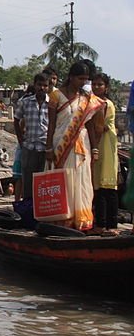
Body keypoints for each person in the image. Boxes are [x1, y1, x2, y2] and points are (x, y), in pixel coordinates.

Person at [44, 61, 105, 231]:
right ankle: (62, 219)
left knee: (82, 180)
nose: (83, 82)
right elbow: (51, 125)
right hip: (60, 143)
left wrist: (94, 148)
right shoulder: (56, 96)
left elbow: (92, 125)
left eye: (86, 79)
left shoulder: (86, 98)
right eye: (80, 78)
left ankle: (82, 220)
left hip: (81, 144)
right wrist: (48, 147)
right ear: (71, 77)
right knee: (63, 180)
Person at [91, 73, 119, 234]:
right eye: (94, 84)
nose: (96, 87)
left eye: (100, 84)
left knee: (104, 186)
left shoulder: (104, 104)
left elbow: (101, 127)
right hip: (102, 143)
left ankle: (105, 225)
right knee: (103, 186)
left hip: (105, 144)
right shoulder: (96, 102)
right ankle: (107, 224)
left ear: (106, 87)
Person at [14, 73, 50, 200]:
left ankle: (41, 211)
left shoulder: (52, 104)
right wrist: (20, 139)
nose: (42, 88)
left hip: (45, 147)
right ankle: (28, 209)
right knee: (28, 181)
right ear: (35, 85)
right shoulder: (25, 102)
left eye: (45, 85)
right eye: (39, 85)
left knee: (44, 181)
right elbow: (16, 120)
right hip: (29, 147)